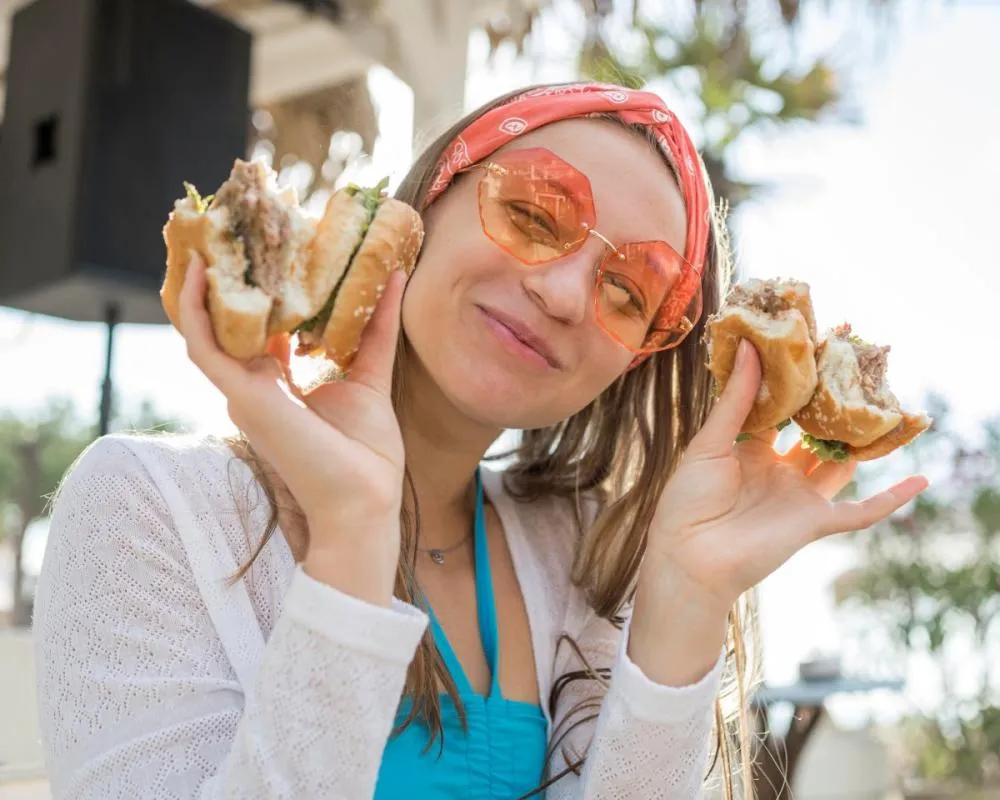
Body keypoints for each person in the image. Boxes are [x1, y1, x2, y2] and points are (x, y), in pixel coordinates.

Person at [32, 82, 927, 800]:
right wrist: (351, 534)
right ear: (425, 205)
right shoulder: (146, 505)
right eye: (535, 214)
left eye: (629, 293)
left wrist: (688, 601)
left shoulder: (580, 561)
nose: (566, 293)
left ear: (634, 363)